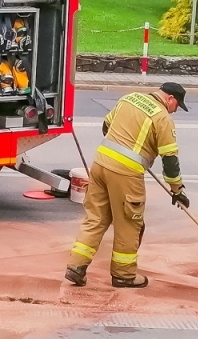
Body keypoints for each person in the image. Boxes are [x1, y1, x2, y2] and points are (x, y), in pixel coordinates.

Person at [65, 82, 188, 289]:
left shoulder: (129, 98)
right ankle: (124, 275)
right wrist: (178, 190)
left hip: (100, 164)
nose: (175, 111)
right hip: (126, 174)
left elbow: (106, 127)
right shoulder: (162, 118)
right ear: (171, 99)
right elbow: (170, 161)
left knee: (96, 218)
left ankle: (76, 266)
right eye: (177, 107)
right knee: (129, 224)